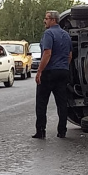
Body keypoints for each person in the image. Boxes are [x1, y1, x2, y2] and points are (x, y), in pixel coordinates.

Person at [33, 10, 72, 139]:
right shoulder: (66, 35)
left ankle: (41, 130)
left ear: (53, 20)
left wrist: (39, 71)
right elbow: (70, 55)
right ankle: (62, 131)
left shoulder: (48, 33)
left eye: (47, 18)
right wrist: (64, 66)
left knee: (42, 102)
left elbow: (47, 53)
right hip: (63, 71)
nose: (45, 20)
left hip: (49, 72)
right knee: (61, 103)